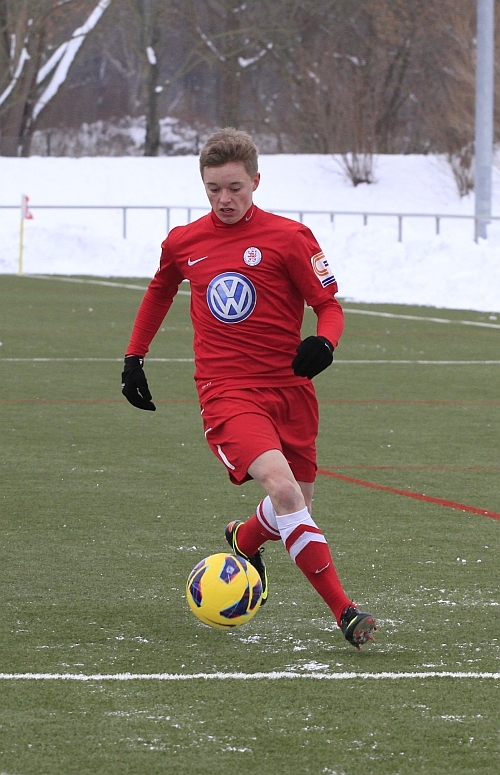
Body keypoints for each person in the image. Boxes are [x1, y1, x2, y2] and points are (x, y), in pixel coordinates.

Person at [121, 128, 376, 649]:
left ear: (256, 182)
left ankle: (245, 536)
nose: (224, 199)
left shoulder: (290, 238)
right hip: (227, 391)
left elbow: (328, 306)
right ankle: (344, 610)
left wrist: (324, 342)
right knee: (283, 490)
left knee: (296, 506)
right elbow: (159, 291)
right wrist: (134, 357)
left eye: (234, 187)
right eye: (213, 189)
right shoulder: (184, 242)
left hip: (291, 391)